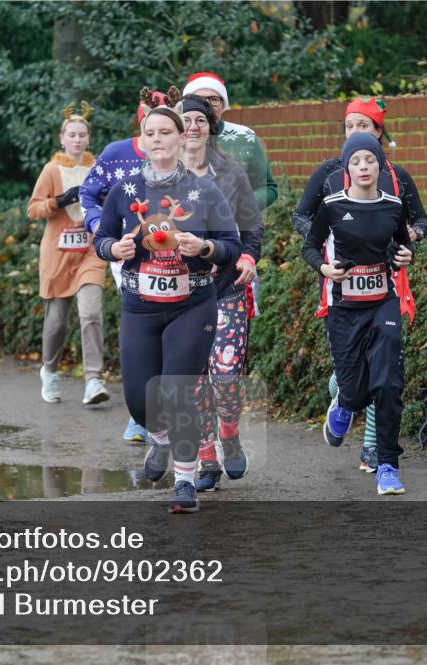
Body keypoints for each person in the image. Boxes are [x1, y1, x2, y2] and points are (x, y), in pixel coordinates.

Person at [93, 87, 242, 513]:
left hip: (192, 304)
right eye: (150, 132)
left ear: (181, 138)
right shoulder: (124, 192)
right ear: (144, 140)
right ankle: (156, 437)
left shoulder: (204, 191)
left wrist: (205, 249)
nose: (158, 139)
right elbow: (101, 238)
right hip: (139, 304)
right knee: (140, 399)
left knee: (178, 390)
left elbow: (230, 244)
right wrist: (112, 250)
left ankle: (185, 481)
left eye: (165, 132)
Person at [292, 96, 427, 472]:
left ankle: (373, 449)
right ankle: (344, 397)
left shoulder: (397, 177)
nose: (354, 133)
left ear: (379, 134)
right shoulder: (329, 173)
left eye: (362, 126)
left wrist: (409, 238)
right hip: (341, 278)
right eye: (349, 126)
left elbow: (420, 221)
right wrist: (328, 244)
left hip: (388, 278)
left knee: (383, 365)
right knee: (353, 372)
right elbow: (302, 218)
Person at [179, 94, 263, 491]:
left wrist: (248, 257)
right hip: (180, 294)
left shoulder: (230, 172)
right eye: (186, 120)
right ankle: (207, 457)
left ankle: (229, 432)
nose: (193, 126)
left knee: (225, 377)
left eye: (200, 119)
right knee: (193, 379)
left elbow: (251, 225)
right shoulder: (160, 173)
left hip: (226, 288)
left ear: (211, 127)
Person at [79, 89, 169, 442]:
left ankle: (158, 414)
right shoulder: (116, 153)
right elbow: (88, 191)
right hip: (128, 256)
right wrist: (100, 228)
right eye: (150, 115)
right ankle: (140, 416)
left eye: (164, 116)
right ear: (140, 117)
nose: (157, 125)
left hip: (177, 259)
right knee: (144, 328)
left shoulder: (185, 158)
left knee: (169, 332)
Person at [27, 102, 109, 406]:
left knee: (90, 313)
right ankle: (49, 371)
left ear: (88, 138)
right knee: (57, 322)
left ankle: (93, 380)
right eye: (71, 134)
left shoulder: (97, 165)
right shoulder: (51, 169)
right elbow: (33, 208)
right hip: (58, 252)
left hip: (89, 250)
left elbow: (111, 198)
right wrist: (58, 201)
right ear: (62, 138)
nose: (77, 140)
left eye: (82, 135)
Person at [182, 71, 277, 210]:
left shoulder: (244, 136)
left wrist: (241, 206)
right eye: (199, 99)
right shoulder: (170, 135)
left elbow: (267, 187)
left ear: (223, 105)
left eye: (214, 99)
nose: (207, 104)